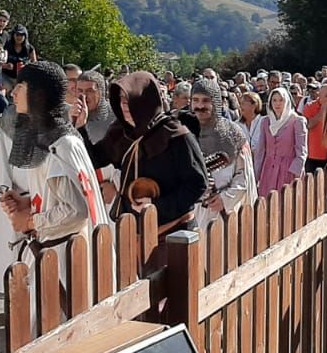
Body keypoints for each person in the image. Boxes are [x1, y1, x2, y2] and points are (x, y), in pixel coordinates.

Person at [0, 61, 109, 294]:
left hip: (64, 262)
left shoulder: (58, 147)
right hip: (58, 256)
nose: (14, 92)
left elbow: (76, 211)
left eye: (21, 86)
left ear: (38, 95)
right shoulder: (53, 140)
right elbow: (60, 196)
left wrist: (29, 222)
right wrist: (28, 203)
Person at [87, 72, 208, 233]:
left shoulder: (176, 135)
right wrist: (80, 127)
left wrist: (157, 206)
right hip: (132, 231)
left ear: (145, 101)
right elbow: (94, 159)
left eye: (130, 99)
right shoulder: (120, 132)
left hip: (173, 231)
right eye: (121, 100)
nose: (124, 105)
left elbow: (197, 184)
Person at [189, 78, 253, 232]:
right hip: (192, 212)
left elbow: (245, 175)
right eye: (195, 100)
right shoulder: (183, 131)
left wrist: (225, 199)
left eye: (205, 101)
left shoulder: (232, 132)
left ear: (215, 102)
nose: (200, 106)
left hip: (223, 211)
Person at [251, 85, 307, 199]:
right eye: (274, 100)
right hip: (269, 169)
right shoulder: (265, 121)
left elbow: (302, 151)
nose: (277, 103)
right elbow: (261, 151)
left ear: (286, 101)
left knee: (286, 204)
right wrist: (256, 175)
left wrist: (295, 173)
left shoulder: (297, 121)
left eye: (281, 100)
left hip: (288, 168)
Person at [303, 82, 327, 174]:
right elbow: (308, 125)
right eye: (326, 96)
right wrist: (322, 110)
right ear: (320, 95)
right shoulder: (309, 106)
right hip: (313, 155)